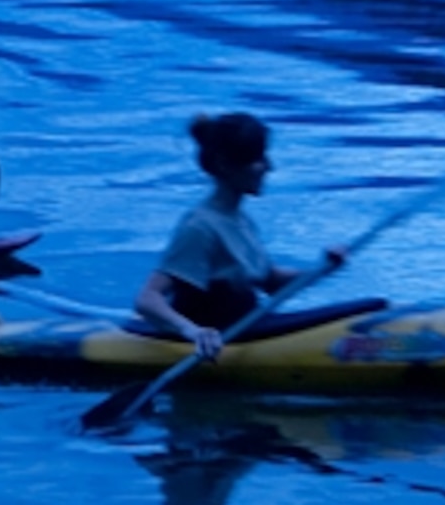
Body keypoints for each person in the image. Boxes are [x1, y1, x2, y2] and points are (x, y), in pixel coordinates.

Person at [134, 111, 347, 359]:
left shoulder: (241, 221)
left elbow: (271, 282)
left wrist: (323, 268)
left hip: (251, 330)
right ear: (226, 165)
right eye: (258, 158)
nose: (269, 166)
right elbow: (147, 299)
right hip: (217, 341)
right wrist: (193, 332)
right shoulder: (200, 227)